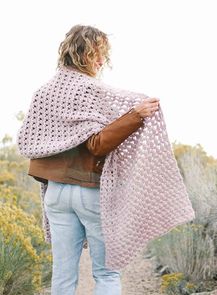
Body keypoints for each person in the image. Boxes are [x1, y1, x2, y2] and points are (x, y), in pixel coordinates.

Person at [20, 24, 160, 295]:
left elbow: (31, 143)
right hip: (91, 191)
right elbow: (96, 145)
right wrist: (135, 115)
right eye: (98, 53)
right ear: (85, 54)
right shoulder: (92, 90)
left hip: (56, 194)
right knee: (107, 273)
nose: (101, 61)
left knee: (62, 276)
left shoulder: (44, 92)